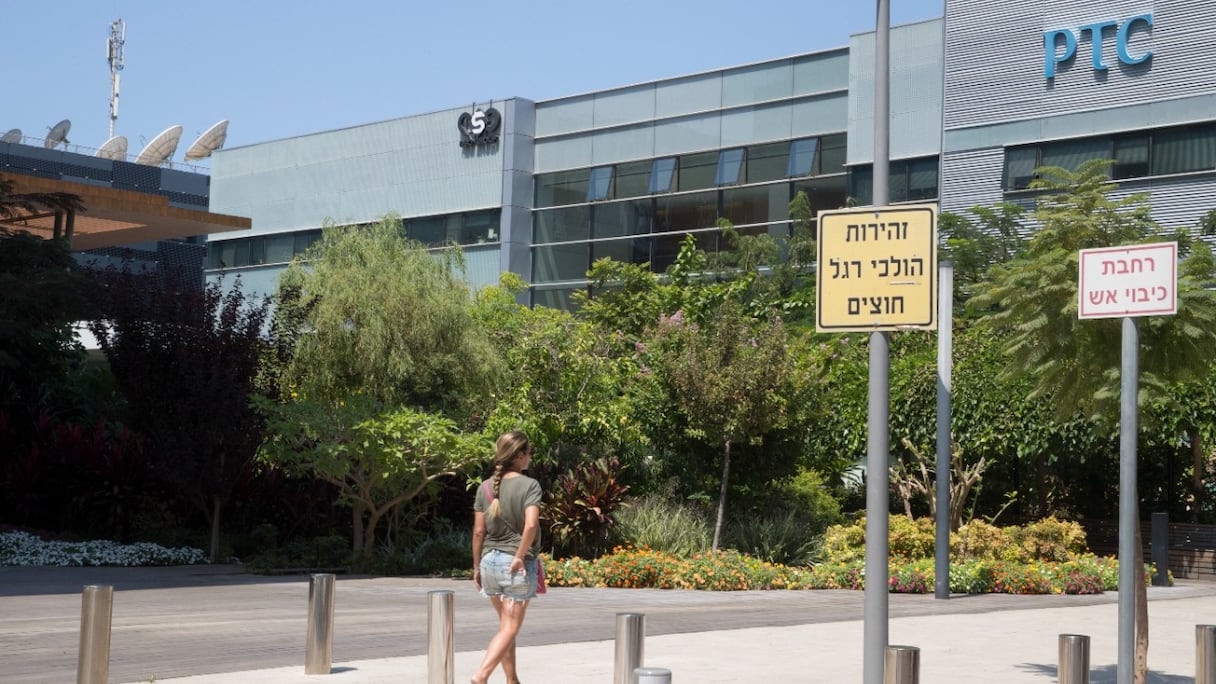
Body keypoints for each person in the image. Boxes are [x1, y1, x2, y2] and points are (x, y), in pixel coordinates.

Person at [470, 430, 542, 684]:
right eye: (529, 452)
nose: (530, 457)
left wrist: (477, 566)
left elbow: (479, 531)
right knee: (510, 628)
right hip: (514, 565)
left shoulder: (485, 487)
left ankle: (512, 680)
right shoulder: (530, 485)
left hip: (489, 562)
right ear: (520, 455)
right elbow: (531, 526)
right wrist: (520, 556)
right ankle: (481, 675)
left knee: (505, 628)